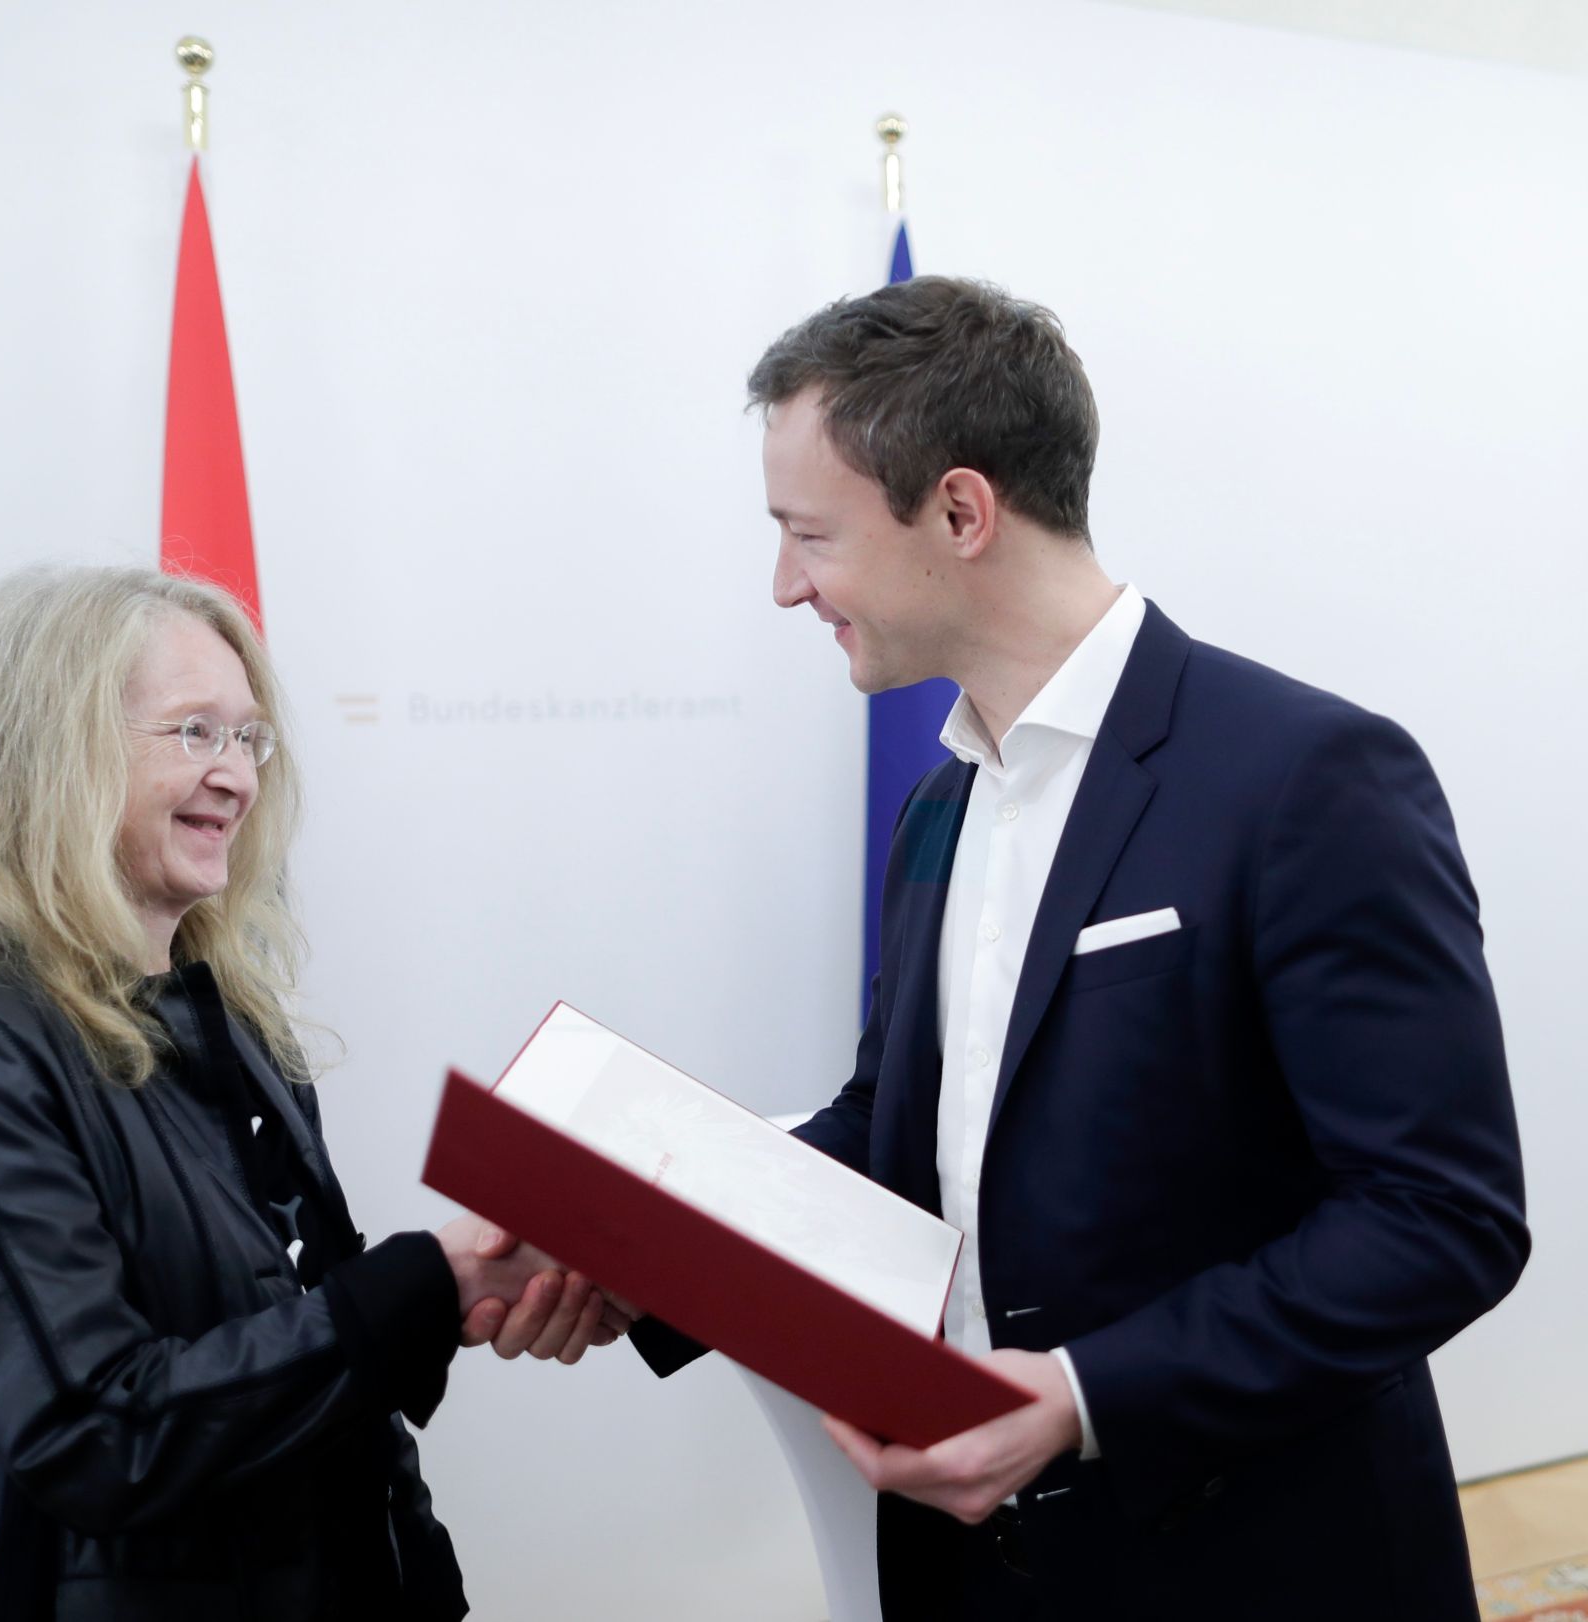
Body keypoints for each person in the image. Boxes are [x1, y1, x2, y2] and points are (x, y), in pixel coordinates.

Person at [633, 278, 1528, 1620]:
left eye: (807, 533)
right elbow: (894, 1128)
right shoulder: (941, 801)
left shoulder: (1308, 776)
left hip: (1254, 1567)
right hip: (980, 1572)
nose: (785, 586)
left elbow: (1441, 1218)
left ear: (960, 511)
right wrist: (633, 1237)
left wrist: (1083, 1395)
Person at [0, 565, 618, 1622]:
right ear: (54, 755)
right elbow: (93, 1431)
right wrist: (415, 1289)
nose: (237, 776)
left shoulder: (233, 1022)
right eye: (192, 732)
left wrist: (419, 1567)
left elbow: (314, 1356)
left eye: (247, 737)